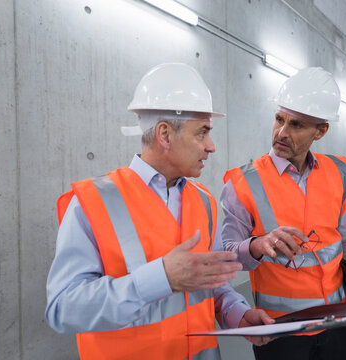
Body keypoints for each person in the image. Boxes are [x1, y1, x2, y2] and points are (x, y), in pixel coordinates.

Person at [45, 63, 274, 360]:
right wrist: (160, 278)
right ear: (165, 135)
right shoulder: (93, 203)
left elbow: (212, 285)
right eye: (202, 133)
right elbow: (63, 309)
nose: (211, 146)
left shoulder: (203, 201)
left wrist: (238, 314)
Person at [221, 67, 346, 360]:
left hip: (338, 322)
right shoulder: (242, 183)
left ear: (321, 130)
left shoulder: (341, 173)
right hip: (279, 330)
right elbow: (226, 254)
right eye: (279, 119)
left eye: (297, 125)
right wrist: (256, 245)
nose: (282, 133)